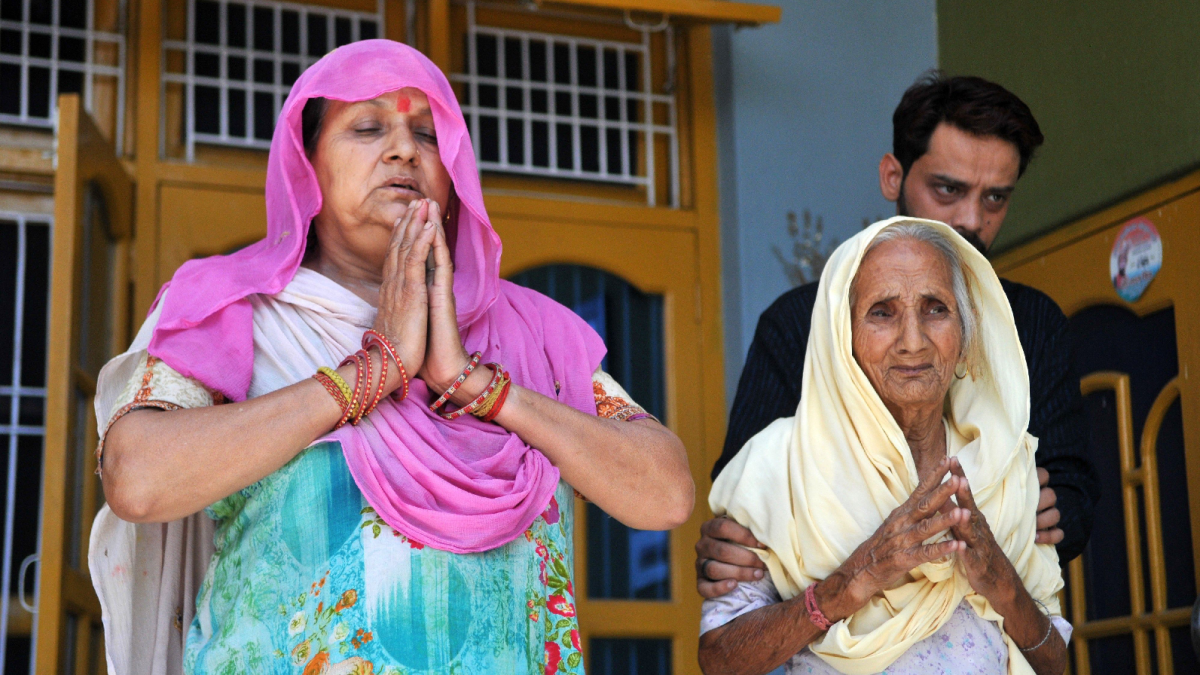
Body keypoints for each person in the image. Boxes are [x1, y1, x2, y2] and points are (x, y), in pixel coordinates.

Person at [88, 40, 693, 675]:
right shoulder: (235, 310)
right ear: (307, 165)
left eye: (429, 135)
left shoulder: (530, 331)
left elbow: (666, 495)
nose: (405, 150)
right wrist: (374, 373)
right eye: (368, 128)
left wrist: (474, 384)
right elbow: (138, 479)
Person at [696, 73, 1099, 599]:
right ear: (893, 176)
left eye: (996, 198)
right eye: (948, 189)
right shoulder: (799, 321)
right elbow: (741, 508)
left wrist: (1046, 511)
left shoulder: (1034, 322)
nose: (971, 219)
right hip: (832, 624)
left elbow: (1071, 493)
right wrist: (727, 546)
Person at [699, 219, 1070, 675]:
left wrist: (1005, 586)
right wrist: (851, 582)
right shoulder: (777, 466)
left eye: (936, 309)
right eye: (882, 312)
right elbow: (719, 659)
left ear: (965, 333)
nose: (912, 341)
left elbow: (1054, 662)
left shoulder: (1006, 466)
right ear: (844, 337)